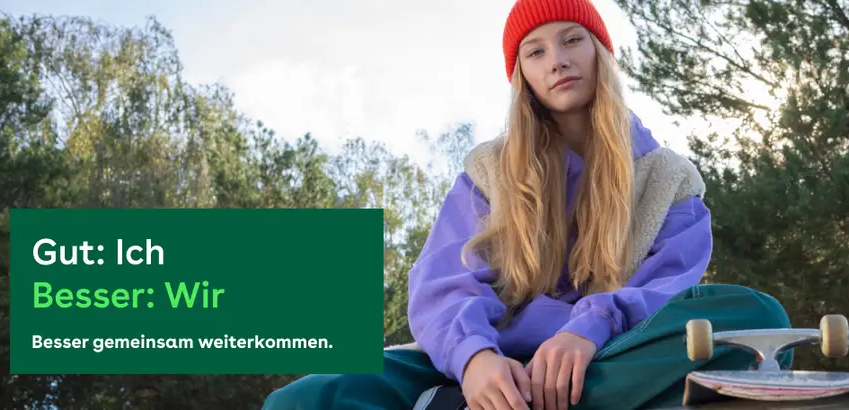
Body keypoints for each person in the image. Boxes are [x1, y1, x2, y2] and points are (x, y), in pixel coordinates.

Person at [262, 0, 792, 409]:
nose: (557, 60)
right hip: (487, 365)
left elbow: (665, 292)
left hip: (610, 356)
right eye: (535, 52)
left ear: (600, 53)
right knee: (304, 398)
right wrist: (474, 359)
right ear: (523, 77)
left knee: (757, 317)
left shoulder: (668, 178)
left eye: (571, 40)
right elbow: (445, 283)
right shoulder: (488, 171)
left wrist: (586, 331)